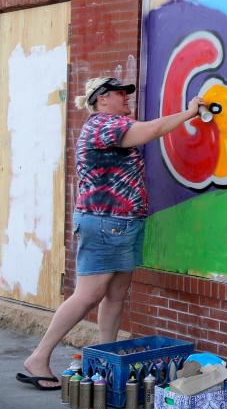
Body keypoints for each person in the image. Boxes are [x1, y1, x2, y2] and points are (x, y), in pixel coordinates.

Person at [16, 76, 204, 390]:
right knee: (89, 294)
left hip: (123, 223)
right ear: (102, 99)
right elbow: (153, 131)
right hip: (104, 221)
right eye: (119, 93)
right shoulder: (102, 125)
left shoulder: (113, 124)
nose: (125, 98)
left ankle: (105, 362)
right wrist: (190, 113)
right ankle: (39, 357)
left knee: (116, 296)